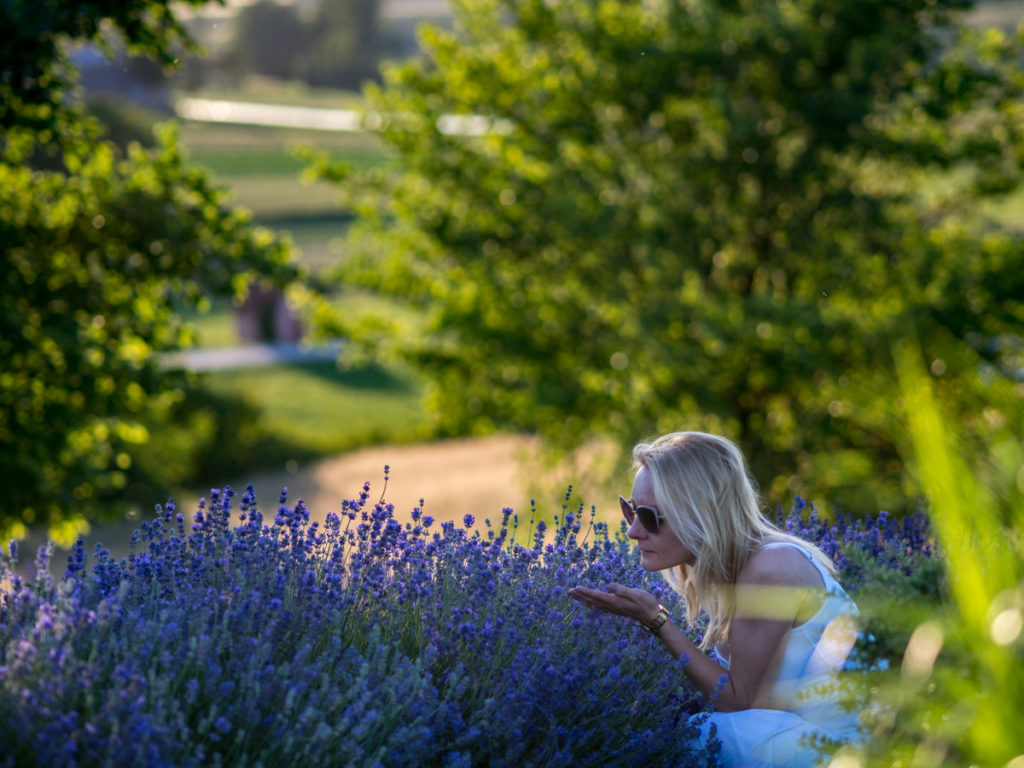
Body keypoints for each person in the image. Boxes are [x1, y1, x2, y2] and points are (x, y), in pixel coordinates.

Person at [568, 432, 860, 767]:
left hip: (839, 752)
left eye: (649, 516)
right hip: (807, 740)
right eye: (630, 510)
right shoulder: (740, 569)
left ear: (700, 513)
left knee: (664, 738)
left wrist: (656, 620)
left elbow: (738, 702)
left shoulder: (770, 567)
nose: (633, 530)